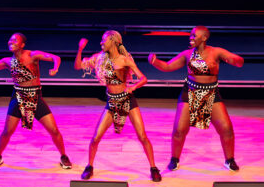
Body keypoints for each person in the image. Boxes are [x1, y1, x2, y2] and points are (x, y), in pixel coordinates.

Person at [148, 26, 244, 172]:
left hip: (211, 92)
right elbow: (167, 66)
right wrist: (155, 61)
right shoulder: (187, 54)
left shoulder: (216, 51)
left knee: (226, 129)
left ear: (204, 38)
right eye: (190, 35)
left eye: (194, 36)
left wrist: (237, 60)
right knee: (179, 130)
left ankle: (229, 160)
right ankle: (174, 159)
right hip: (190, 92)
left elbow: (236, 59)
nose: (190, 38)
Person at [74, 30, 161, 182]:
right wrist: (80, 49)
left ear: (113, 41)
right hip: (111, 101)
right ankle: (90, 166)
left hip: (128, 100)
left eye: (104, 40)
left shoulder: (125, 60)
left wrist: (132, 87)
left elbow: (143, 78)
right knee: (95, 138)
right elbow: (77, 66)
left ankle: (153, 168)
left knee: (142, 136)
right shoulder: (99, 58)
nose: (101, 43)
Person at [0, 33, 72, 169]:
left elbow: (55, 57)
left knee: (53, 130)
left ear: (22, 45)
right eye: (10, 39)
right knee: (7, 132)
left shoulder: (32, 55)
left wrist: (55, 68)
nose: (11, 41)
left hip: (35, 97)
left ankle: (64, 156)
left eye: (14, 40)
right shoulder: (7, 61)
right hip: (18, 97)